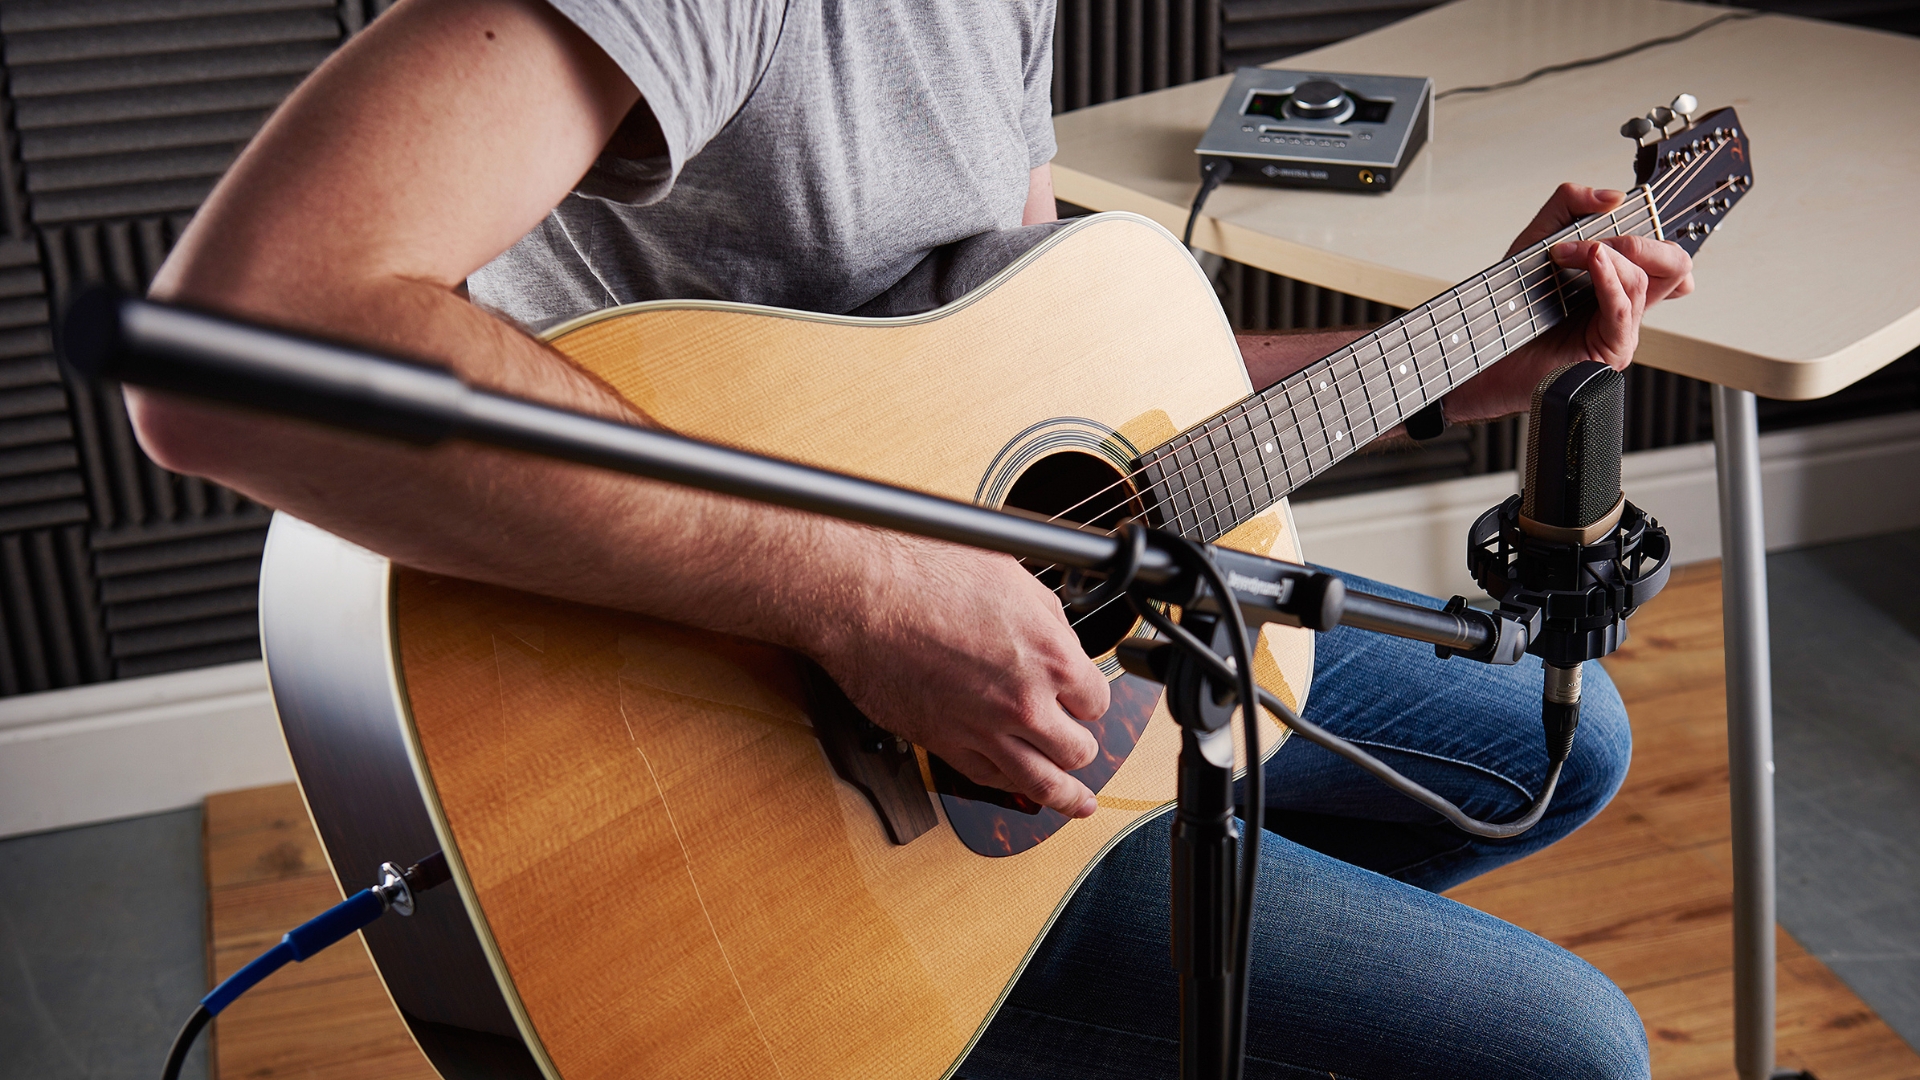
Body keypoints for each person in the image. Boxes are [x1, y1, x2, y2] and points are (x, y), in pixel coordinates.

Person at [127, 1, 1694, 1076]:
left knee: (1561, 743)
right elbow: (233, 348)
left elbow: (1052, 409)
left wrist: (1453, 368)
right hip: (752, 777)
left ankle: (1021, 978)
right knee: (1576, 1050)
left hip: (1010, 694)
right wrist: (859, 585)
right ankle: (932, 997)